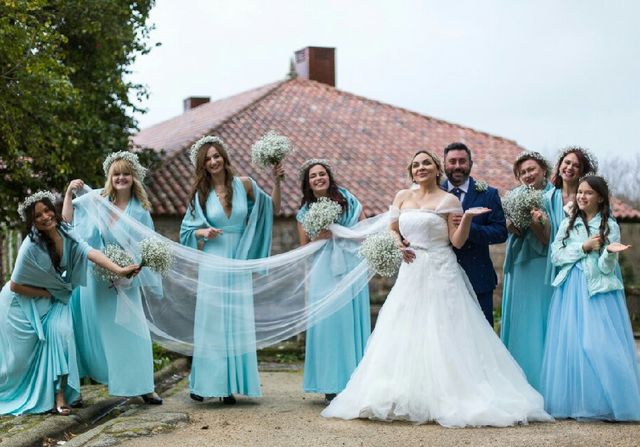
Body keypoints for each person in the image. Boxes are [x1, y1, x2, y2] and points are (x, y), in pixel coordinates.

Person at [322, 151, 552, 427]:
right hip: (411, 271)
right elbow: (394, 229)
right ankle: (401, 393)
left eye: (426, 163)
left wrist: (466, 219)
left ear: (436, 169)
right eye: (416, 164)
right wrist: (398, 244)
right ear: (411, 170)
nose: (421, 168)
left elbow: (456, 241)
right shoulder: (402, 197)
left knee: (445, 330)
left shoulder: (449, 200)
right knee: (406, 330)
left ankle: (449, 394)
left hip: (442, 270)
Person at [0, 192, 139, 416]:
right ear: (32, 222)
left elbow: (89, 252)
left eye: (47, 210)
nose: (45, 217)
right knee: (19, 362)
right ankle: (24, 391)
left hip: (56, 297)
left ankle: (60, 394)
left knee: (62, 333)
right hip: (22, 304)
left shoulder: (66, 230)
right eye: (38, 216)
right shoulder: (30, 246)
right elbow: (15, 285)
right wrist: (45, 293)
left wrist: (120, 270)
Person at [180, 135, 284, 404]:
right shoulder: (199, 196)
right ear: (203, 165)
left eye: (217, 156)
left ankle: (231, 385)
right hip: (213, 260)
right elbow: (185, 231)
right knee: (211, 322)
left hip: (238, 260)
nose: (213, 161)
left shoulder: (245, 186)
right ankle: (206, 384)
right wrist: (202, 231)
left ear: (224, 158)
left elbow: (271, 209)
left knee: (237, 322)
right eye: (208, 159)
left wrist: (276, 181)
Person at [61, 151, 162, 405]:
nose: (121, 178)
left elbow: (149, 244)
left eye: (126, 173)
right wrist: (69, 192)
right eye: (116, 174)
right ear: (110, 177)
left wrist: (138, 266)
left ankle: (144, 386)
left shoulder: (141, 211)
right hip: (100, 278)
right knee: (98, 332)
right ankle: (86, 384)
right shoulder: (97, 200)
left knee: (136, 331)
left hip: (128, 278)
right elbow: (68, 220)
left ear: (133, 177)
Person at [540, 175, 640, 420]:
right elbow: (556, 257)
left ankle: (612, 400)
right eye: (580, 192)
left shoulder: (610, 226)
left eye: (588, 193)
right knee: (572, 344)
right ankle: (576, 403)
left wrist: (609, 254)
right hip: (570, 289)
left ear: (601, 198)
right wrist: (582, 247)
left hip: (597, 290)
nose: (582, 196)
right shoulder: (567, 224)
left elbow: (606, 268)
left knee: (597, 343)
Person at [296, 159, 370, 405]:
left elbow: (364, 231)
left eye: (322, 174)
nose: (319, 178)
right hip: (322, 271)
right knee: (327, 324)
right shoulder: (305, 212)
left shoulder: (349, 200)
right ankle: (330, 384)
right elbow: (304, 248)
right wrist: (320, 235)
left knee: (350, 322)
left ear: (329, 177)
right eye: (313, 176)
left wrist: (340, 232)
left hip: (350, 265)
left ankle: (355, 380)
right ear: (308, 183)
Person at [500, 151, 554, 390]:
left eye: (531, 169)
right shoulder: (513, 197)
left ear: (544, 169)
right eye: (522, 172)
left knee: (540, 314)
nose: (527, 175)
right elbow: (506, 228)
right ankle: (517, 381)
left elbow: (550, 235)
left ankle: (544, 378)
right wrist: (513, 224)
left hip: (542, 261)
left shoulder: (554, 195)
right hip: (519, 262)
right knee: (520, 314)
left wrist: (537, 221)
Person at [441, 142, 507, 325]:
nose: (457, 166)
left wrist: (468, 226)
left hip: (478, 278)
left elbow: (500, 233)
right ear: (444, 164)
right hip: (440, 278)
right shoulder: (433, 193)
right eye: (452, 161)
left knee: (481, 338)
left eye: (462, 161)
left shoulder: (488, 194)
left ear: (470, 163)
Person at [538, 146, 597, 283]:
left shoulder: (589, 197)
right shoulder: (547, 199)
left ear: (582, 172)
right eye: (567, 162)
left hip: (586, 262)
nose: (570, 167)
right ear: (559, 166)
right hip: (560, 260)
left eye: (576, 166)